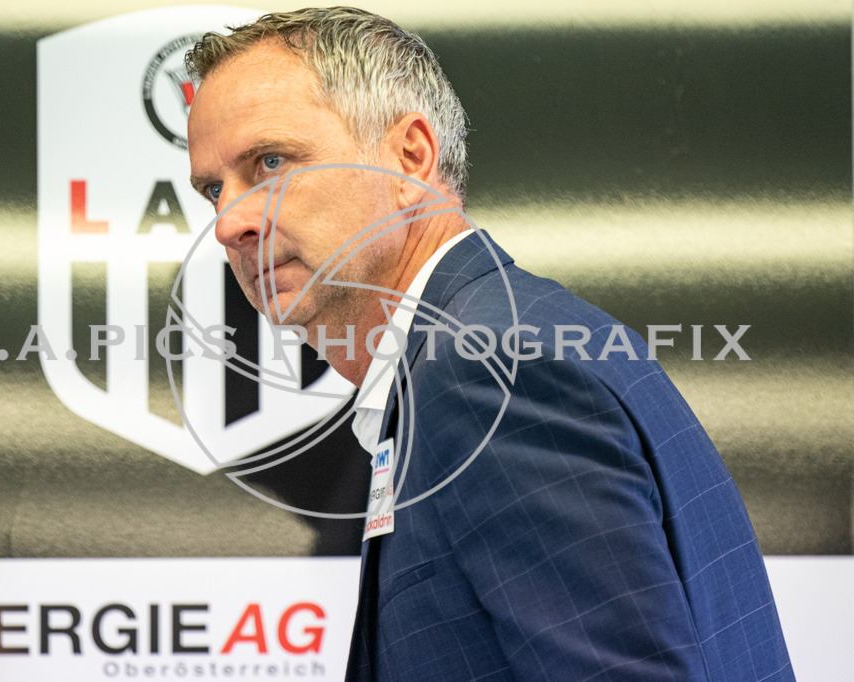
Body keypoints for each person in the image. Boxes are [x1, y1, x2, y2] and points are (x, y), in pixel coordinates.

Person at [185, 7, 793, 680]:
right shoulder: (489, 347)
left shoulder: (492, 372)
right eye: (214, 189)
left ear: (410, 156)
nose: (228, 222)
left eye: (270, 162)